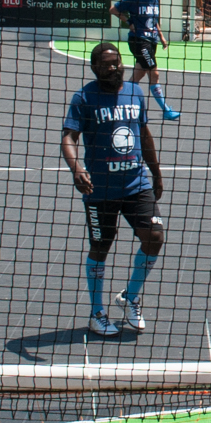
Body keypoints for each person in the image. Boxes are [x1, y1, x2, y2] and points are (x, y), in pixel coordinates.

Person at [58, 41, 165, 338]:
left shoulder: (134, 91)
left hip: (135, 183)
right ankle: (96, 313)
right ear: (95, 68)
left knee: (154, 237)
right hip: (100, 188)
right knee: (101, 246)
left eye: (116, 61)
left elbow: (144, 134)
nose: (113, 67)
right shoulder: (84, 97)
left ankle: (129, 297)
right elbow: (69, 137)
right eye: (106, 64)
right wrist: (77, 168)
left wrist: (156, 174)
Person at [113, 0, 181, 120]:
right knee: (154, 73)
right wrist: (129, 22)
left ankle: (119, 101)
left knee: (139, 74)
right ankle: (166, 110)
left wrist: (161, 36)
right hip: (138, 41)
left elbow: (153, 19)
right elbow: (114, 9)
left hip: (152, 41)